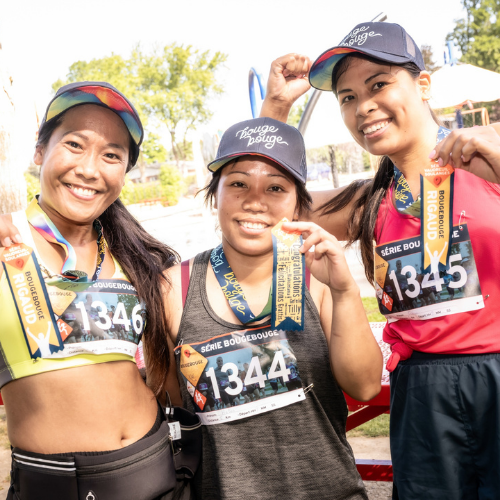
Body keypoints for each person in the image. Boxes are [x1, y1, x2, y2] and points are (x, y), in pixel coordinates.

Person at [260, 21, 500, 499]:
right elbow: (268, 205)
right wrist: (277, 108)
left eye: (378, 84)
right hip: (421, 397)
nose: (363, 105)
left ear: (423, 84)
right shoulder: (366, 202)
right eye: (346, 97)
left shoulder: (489, 158)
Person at [163, 117, 382, 499]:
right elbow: (169, 409)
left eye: (276, 187)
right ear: (216, 194)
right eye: (238, 183)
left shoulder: (320, 279)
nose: (255, 201)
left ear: (299, 204)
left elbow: (363, 386)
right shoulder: (173, 288)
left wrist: (345, 291)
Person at [0, 82, 182, 499]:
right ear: (40, 152)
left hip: (152, 465)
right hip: (53, 482)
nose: (89, 169)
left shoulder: (138, 257)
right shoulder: (6, 237)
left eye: (111, 155)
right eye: (75, 144)